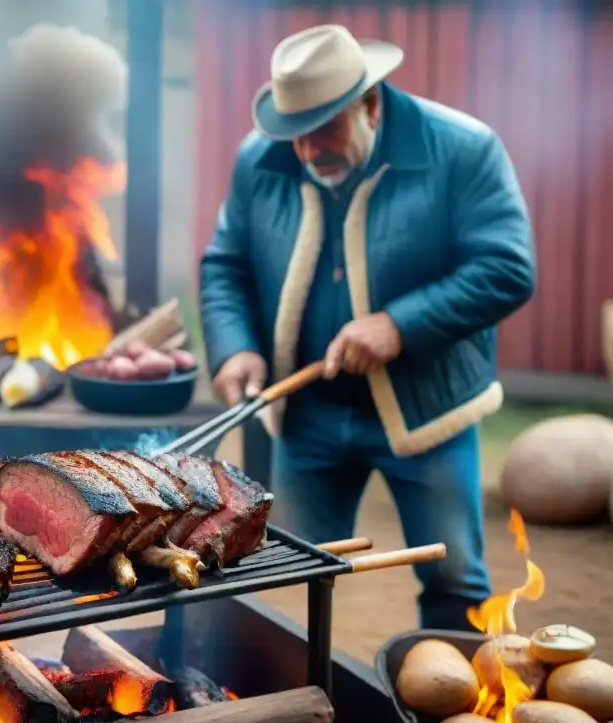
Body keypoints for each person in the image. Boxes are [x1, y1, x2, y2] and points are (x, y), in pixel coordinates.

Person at [198, 24, 536, 630]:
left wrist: (398, 326)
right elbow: (226, 266)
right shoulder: (259, 157)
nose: (307, 152)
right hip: (308, 416)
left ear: (371, 103)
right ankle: (297, 717)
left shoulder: (462, 148)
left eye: (326, 128)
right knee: (291, 574)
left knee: (454, 576)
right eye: (295, 135)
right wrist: (235, 350)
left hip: (428, 409)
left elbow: (506, 268)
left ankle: (454, 718)